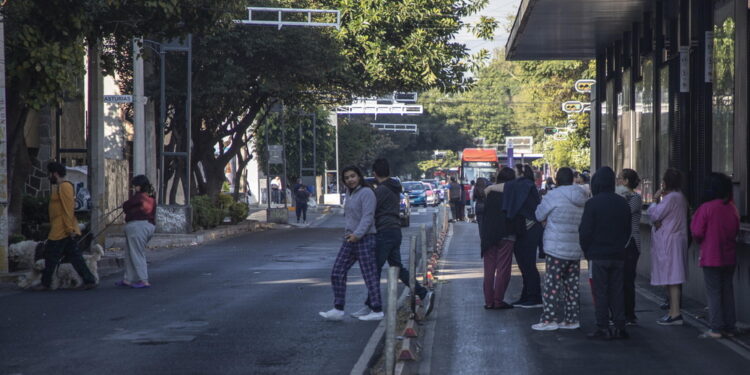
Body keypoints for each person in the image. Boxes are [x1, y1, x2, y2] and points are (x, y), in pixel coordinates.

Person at [352, 159, 435, 319]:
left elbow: (369, 209)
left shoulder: (382, 190)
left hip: (384, 232)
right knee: (397, 268)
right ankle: (423, 294)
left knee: (374, 270)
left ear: (375, 173)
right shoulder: (393, 187)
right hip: (394, 231)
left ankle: (374, 308)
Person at [319, 166, 383, 321]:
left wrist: (358, 234)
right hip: (349, 239)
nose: (350, 180)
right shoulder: (349, 193)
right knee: (337, 272)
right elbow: (350, 217)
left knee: (369, 275)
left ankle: (377, 310)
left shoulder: (367, 193)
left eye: (353, 176)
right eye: (347, 178)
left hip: (365, 238)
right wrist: (349, 234)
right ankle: (338, 308)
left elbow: (368, 217)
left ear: (359, 176)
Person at [532, 167, 588, 331]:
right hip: (575, 246)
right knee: (572, 285)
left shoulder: (553, 195)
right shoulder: (581, 196)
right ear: (572, 179)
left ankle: (549, 319)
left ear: (557, 179)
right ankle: (572, 319)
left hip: (556, 248)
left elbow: (539, 215)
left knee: (552, 284)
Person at [579, 166, 631, 340]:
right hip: (618, 253)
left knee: (600, 291)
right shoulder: (622, 202)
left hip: (597, 254)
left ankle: (603, 326)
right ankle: (620, 325)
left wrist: (587, 251)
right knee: (617, 290)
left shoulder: (592, 203)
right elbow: (627, 229)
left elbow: (585, 231)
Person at [690, 172, 740, 338]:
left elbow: (697, 232)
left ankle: (716, 327)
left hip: (711, 256)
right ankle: (730, 326)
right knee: (727, 290)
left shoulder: (706, 208)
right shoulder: (731, 208)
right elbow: (736, 229)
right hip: (729, 255)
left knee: (714, 292)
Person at [37, 162, 98, 291]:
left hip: (61, 230)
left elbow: (67, 209)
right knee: (75, 258)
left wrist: (69, 229)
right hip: (61, 228)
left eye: (50, 174)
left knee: (51, 257)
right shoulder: (59, 187)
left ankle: (45, 283)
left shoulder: (65, 187)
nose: (49, 177)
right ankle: (89, 280)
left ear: (55, 173)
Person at [648, 168, 689, 326]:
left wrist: (654, 200)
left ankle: (675, 313)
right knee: (673, 277)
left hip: (668, 242)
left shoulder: (670, 198)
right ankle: (673, 312)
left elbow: (655, 215)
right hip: (676, 240)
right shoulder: (680, 197)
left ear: (665, 183)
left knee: (671, 278)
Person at [503, 164, 543, 308]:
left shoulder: (524, 186)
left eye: (514, 172)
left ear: (520, 173)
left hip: (529, 229)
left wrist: (490, 188)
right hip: (526, 229)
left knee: (528, 264)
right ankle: (526, 295)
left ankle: (534, 296)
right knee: (524, 264)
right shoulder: (525, 186)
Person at [480, 167, 518, 309]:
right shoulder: (512, 192)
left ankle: (488, 301)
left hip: (489, 235)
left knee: (489, 269)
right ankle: (498, 300)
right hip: (506, 234)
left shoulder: (489, 192)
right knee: (503, 268)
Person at [116, 175, 156, 289]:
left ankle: (144, 280)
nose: (134, 187)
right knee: (130, 253)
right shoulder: (151, 196)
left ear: (140, 185)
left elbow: (126, 205)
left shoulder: (139, 197)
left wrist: (124, 205)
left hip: (138, 227)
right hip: (147, 226)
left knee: (137, 253)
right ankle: (128, 279)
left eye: (136, 185)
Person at [616, 169, 643, 325]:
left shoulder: (635, 198)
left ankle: (629, 314)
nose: (618, 181)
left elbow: (623, 212)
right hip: (621, 241)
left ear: (626, 181)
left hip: (631, 241)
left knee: (627, 279)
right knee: (620, 279)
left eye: (620, 178)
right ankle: (622, 313)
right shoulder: (621, 197)